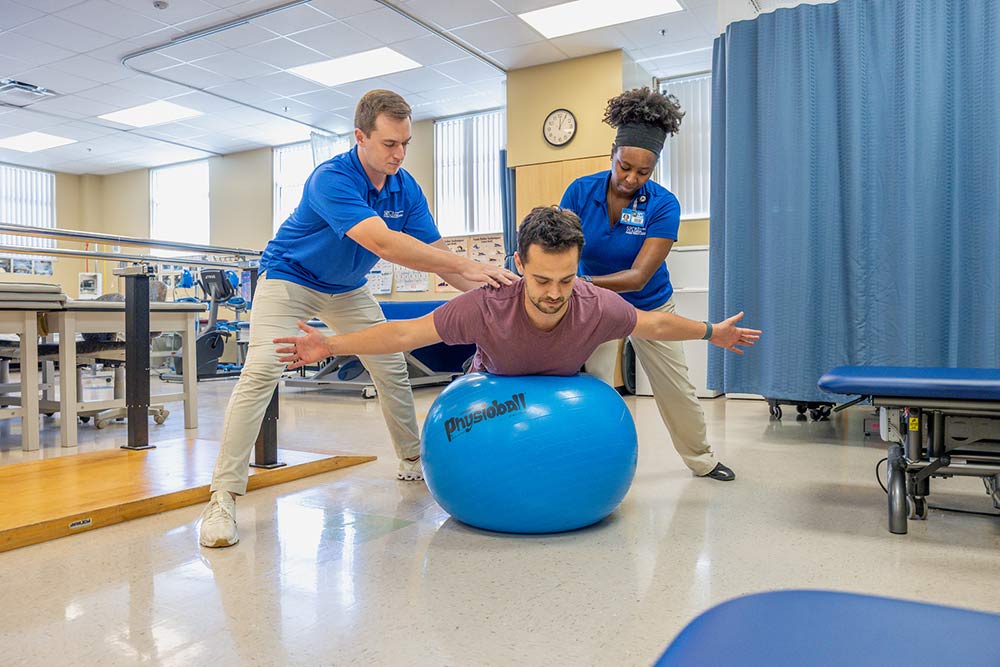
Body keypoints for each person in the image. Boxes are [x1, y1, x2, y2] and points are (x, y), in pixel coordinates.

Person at [199, 90, 517, 549]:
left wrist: (495, 295)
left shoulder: (405, 188)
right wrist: (472, 267)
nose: (399, 153)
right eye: (389, 143)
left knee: (391, 364)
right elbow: (384, 244)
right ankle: (222, 497)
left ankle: (412, 459)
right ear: (360, 137)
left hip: (345, 287)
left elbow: (441, 258)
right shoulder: (331, 178)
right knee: (262, 371)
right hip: (290, 276)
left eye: (405, 143)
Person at [274, 206, 759, 403]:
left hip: (564, 396)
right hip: (493, 390)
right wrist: (330, 344)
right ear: (518, 263)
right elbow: (405, 334)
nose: (553, 293)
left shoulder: (594, 304)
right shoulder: (488, 303)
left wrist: (712, 332)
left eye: (565, 280)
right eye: (541, 279)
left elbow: (652, 324)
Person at [559, 87, 736, 482]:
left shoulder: (663, 204)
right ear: (612, 153)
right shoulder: (579, 192)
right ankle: (592, 462)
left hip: (650, 303)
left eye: (643, 172)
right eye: (624, 167)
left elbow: (639, 276)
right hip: (597, 304)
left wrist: (580, 282)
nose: (630, 178)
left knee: (676, 388)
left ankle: (701, 458)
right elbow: (560, 247)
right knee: (595, 384)